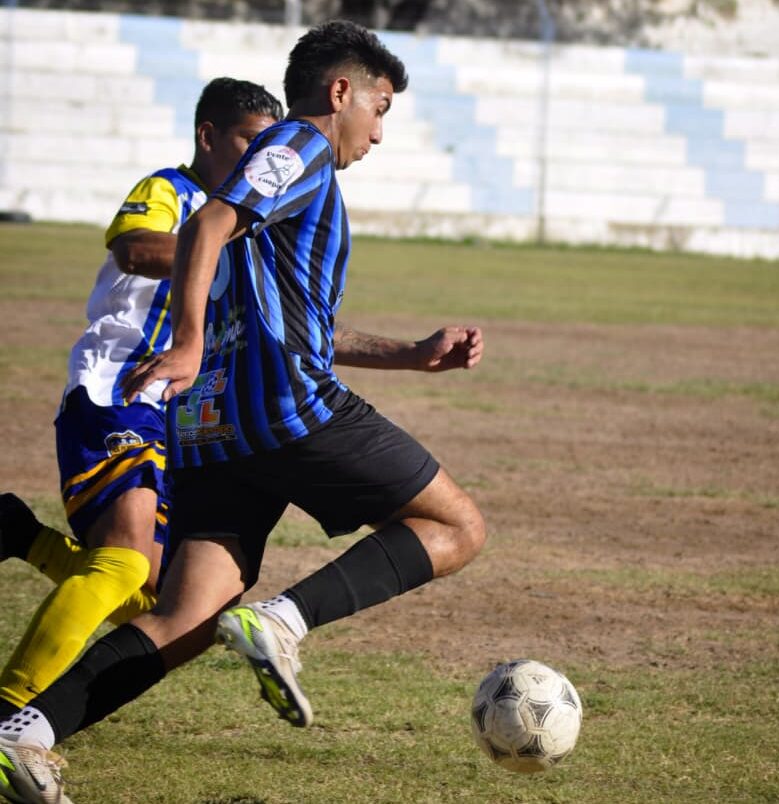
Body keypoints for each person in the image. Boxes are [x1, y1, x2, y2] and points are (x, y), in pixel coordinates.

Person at [0, 20, 486, 804]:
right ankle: (286, 620)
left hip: (212, 428)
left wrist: (411, 352)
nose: (380, 132)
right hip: (282, 407)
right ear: (340, 93)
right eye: (381, 106)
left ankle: (24, 734)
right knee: (457, 527)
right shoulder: (301, 149)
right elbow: (206, 226)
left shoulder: (279, 176)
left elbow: (293, 318)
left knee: (187, 616)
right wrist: (188, 340)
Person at [0, 78, 284, 723]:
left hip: (178, 413)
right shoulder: (172, 191)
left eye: (266, 148)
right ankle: (9, 714)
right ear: (209, 136)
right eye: (246, 142)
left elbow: (281, 331)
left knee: (157, 597)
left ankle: (19, 534)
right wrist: (214, 252)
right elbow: (134, 247)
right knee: (126, 558)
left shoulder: (246, 228)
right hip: (120, 384)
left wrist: (407, 352)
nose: (254, 161)